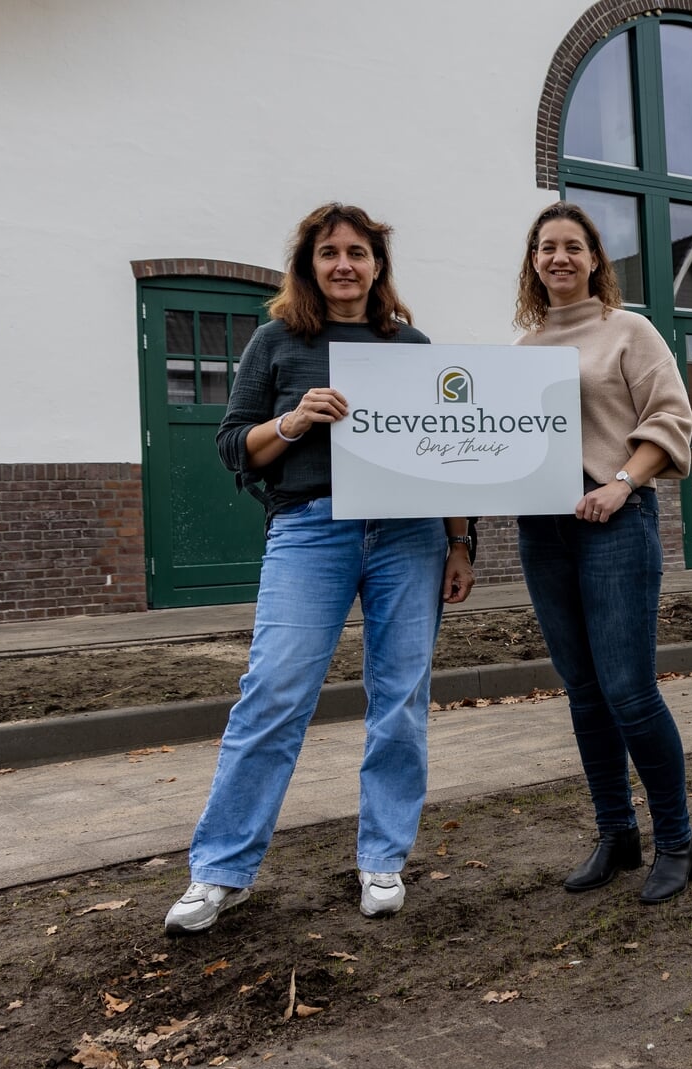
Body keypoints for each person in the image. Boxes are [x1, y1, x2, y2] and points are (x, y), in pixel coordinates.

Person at [165, 203, 475, 934]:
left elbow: (448, 448)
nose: (344, 264)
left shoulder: (412, 343)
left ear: (377, 266)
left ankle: (382, 859)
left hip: (409, 535)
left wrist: (462, 543)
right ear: (309, 265)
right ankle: (219, 871)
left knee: (400, 698)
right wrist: (294, 421)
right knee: (273, 692)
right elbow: (234, 444)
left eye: (358, 253)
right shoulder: (277, 342)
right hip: (310, 529)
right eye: (330, 252)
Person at [512, 201, 692, 903]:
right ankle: (616, 835)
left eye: (572, 246)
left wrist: (623, 483)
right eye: (545, 247)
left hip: (614, 520)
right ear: (533, 262)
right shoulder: (525, 351)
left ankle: (677, 843)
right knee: (584, 690)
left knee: (628, 689)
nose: (558, 257)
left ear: (594, 259)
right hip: (545, 529)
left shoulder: (629, 330)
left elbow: (672, 417)